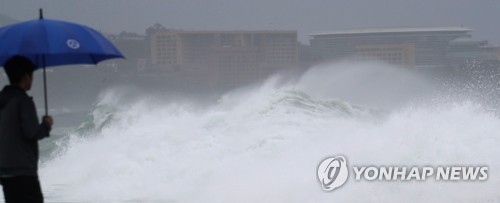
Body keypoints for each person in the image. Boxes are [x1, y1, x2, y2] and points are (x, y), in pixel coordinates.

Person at [0, 56, 53, 203]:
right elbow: (32, 132)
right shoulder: (23, 101)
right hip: (23, 171)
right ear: (25, 77)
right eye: (32, 75)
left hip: (5, 170)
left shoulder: (2, 99)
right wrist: (46, 125)